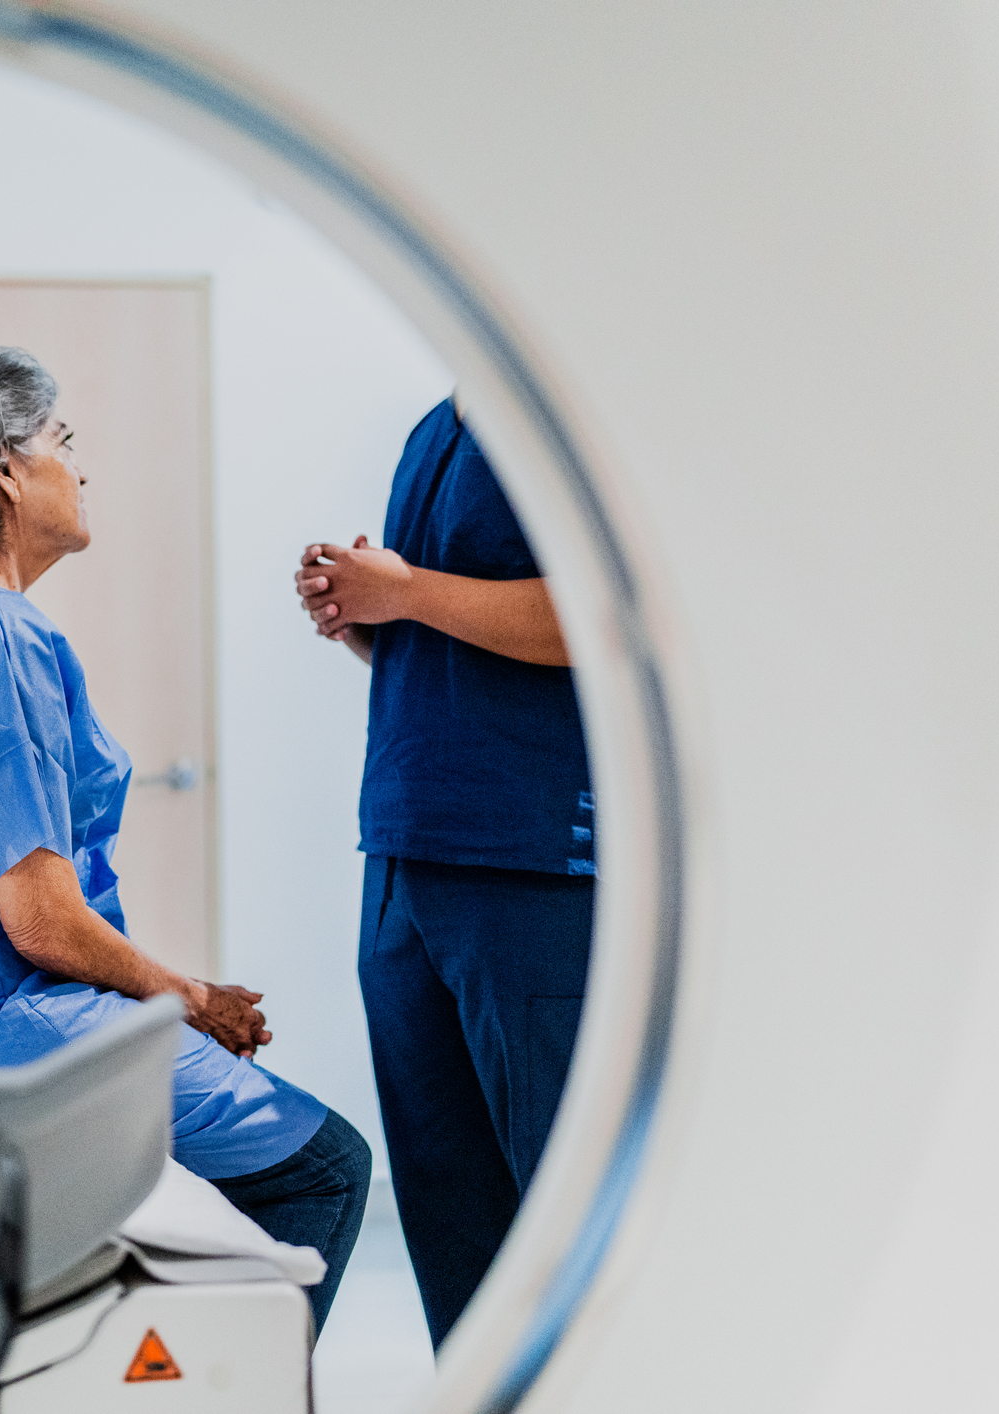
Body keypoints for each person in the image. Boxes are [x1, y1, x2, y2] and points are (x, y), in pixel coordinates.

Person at [0, 347, 372, 1334]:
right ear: (5, 469)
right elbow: (41, 921)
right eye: (60, 440)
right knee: (324, 1167)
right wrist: (192, 999)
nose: (79, 466)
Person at [293, 394, 594, 1349]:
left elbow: (595, 618)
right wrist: (363, 617)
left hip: (527, 865)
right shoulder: (437, 427)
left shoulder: (570, 404)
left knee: (559, 1211)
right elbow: (447, 642)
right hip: (402, 855)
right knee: (447, 1207)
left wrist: (410, 591)